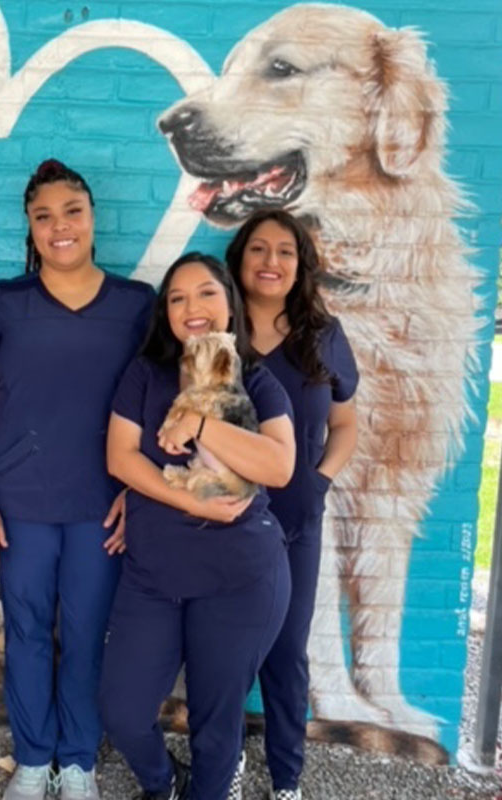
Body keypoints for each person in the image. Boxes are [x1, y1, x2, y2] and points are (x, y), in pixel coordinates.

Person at [0, 159, 155, 800]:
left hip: (101, 506)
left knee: (88, 635)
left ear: (93, 219)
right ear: (30, 228)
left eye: (72, 211)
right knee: (28, 634)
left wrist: (138, 489)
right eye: (43, 216)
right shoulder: (2, 303)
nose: (58, 226)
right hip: (20, 506)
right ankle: (34, 759)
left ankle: (78, 763)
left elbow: (157, 403)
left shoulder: (136, 306)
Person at [98, 252, 295, 800]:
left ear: (229, 304)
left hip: (240, 578)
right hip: (153, 577)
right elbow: (120, 458)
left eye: (206, 293)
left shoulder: (258, 382)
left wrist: (202, 423)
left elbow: (278, 465)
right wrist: (192, 501)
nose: (193, 308)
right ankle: (164, 785)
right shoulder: (146, 374)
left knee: (217, 725)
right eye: (177, 298)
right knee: (124, 710)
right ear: (166, 313)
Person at [224, 209, 359, 800]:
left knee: (285, 656)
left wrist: (320, 481)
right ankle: (219, 764)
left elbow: (346, 425)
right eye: (258, 249)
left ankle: (286, 780)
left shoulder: (323, 335)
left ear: (301, 265)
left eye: (285, 251)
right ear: (240, 259)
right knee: (223, 652)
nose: (270, 261)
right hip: (221, 522)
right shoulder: (216, 331)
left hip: (296, 524)